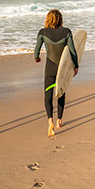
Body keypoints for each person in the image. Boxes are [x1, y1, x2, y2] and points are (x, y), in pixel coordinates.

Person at [34, 9, 79, 137]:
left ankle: (50, 122)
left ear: (48, 18)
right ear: (60, 19)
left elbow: (36, 51)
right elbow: (72, 50)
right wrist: (75, 65)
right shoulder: (67, 32)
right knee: (61, 92)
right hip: (62, 68)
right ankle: (59, 120)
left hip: (50, 68)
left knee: (48, 95)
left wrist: (37, 58)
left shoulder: (43, 32)